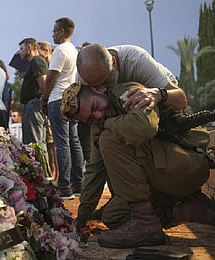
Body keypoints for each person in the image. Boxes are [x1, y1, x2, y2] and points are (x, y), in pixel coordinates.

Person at [61, 81, 215, 248]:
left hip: (187, 167)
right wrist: (79, 222)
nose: (98, 116)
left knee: (108, 139)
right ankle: (192, 209)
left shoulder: (131, 93)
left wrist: (106, 124)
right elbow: (94, 173)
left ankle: (146, 222)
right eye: (91, 118)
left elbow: (144, 127)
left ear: (98, 89)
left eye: (95, 107)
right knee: (114, 216)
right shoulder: (100, 127)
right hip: (161, 179)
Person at [72, 43, 189, 233]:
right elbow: (96, 164)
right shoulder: (85, 79)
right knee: (105, 144)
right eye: (94, 87)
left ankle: (162, 210)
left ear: (115, 63)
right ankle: (128, 203)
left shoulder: (136, 60)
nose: (101, 89)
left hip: (161, 113)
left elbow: (181, 101)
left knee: (112, 138)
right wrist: (81, 218)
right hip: (125, 116)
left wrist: (158, 94)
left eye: (104, 82)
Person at [42, 17, 83, 200]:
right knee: (74, 141)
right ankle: (77, 183)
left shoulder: (59, 50)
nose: (53, 34)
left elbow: (51, 77)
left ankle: (64, 186)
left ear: (62, 31)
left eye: (55, 30)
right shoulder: (74, 51)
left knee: (62, 143)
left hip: (57, 98)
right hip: (71, 100)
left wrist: (44, 96)